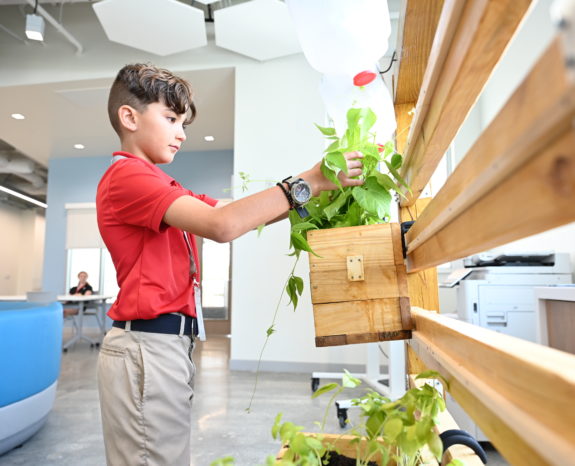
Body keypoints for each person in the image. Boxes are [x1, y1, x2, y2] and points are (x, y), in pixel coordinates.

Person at [95, 63, 364, 466]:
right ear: (129, 117)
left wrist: (314, 191)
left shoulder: (159, 184)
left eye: (182, 122)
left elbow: (231, 212)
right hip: (146, 346)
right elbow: (222, 226)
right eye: (170, 119)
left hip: (163, 346)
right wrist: (304, 184)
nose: (181, 133)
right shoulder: (128, 178)